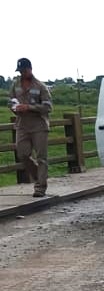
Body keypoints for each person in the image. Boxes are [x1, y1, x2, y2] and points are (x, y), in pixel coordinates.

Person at [8, 58, 53, 197]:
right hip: (22, 124)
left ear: (30, 69)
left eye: (24, 70)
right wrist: (15, 108)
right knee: (22, 154)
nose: (22, 73)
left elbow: (48, 107)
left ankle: (40, 187)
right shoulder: (15, 85)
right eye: (20, 71)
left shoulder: (40, 86)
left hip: (38, 124)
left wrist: (29, 107)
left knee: (41, 157)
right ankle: (39, 177)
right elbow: (10, 101)